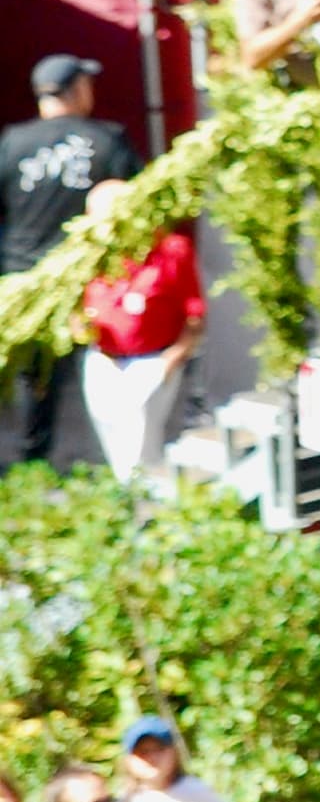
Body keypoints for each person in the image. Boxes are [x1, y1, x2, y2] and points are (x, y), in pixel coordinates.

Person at [5, 54, 137, 462]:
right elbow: (134, 206)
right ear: (77, 90)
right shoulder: (108, 139)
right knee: (104, 369)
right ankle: (108, 467)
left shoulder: (11, 143)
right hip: (91, 280)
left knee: (32, 377)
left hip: (21, 279)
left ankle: (32, 465)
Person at [73, 179, 199, 483]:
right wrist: (79, 326)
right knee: (111, 432)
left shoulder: (170, 251)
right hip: (104, 358)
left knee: (139, 443)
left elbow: (194, 316)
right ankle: (132, 503)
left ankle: (146, 507)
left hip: (153, 359)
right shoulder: (85, 256)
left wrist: (171, 360)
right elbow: (73, 308)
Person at [113, 724, 233, 802]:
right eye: (143, 752)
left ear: (174, 753)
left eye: (159, 749)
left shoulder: (194, 789)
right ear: (129, 760)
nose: (152, 758)